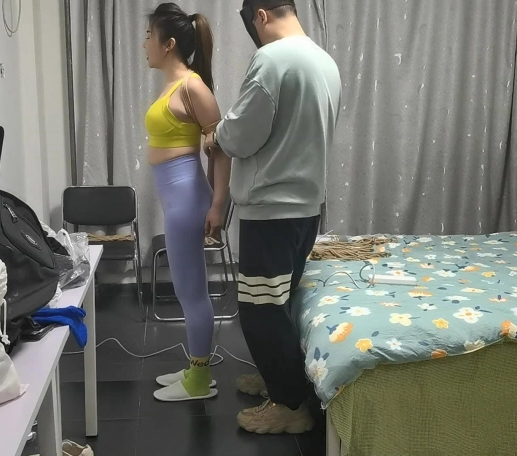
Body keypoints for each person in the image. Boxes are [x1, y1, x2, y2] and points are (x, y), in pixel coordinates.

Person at [204, 0, 342, 434]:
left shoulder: (272, 59)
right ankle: (278, 376)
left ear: (260, 16)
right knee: (278, 302)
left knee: (260, 309)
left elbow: (242, 135)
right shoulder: (324, 61)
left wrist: (216, 135)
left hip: (272, 209)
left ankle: (289, 404)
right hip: (305, 206)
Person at [143, 2, 231, 402]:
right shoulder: (173, 86)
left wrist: (217, 205)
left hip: (188, 201)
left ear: (169, 44)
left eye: (150, 36)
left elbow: (221, 151)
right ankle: (196, 369)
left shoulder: (193, 87)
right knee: (187, 290)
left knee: (191, 292)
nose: (145, 44)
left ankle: (199, 381)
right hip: (177, 199)